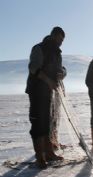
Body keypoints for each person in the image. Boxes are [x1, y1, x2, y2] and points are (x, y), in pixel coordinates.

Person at [25, 27, 66, 168]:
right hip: (37, 90)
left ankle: (49, 153)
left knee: (48, 122)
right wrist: (48, 81)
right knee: (38, 123)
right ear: (53, 36)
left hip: (49, 92)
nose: (60, 43)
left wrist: (62, 73)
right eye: (59, 39)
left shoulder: (57, 53)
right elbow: (33, 68)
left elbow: (61, 68)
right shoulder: (39, 48)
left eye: (62, 40)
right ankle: (40, 157)